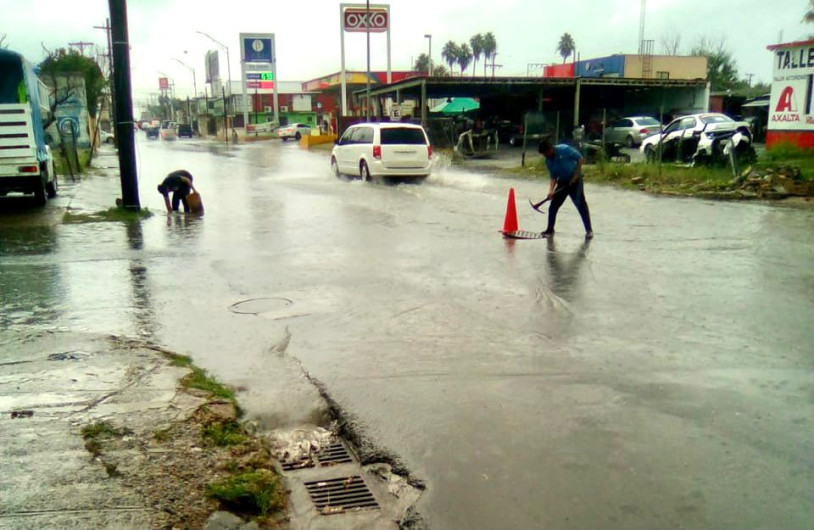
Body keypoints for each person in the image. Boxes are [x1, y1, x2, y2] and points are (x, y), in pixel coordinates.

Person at [537, 138, 593, 239]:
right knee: (553, 206)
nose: (545, 156)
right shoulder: (548, 161)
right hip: (563, 182)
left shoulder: (564, 149)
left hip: (575, 181)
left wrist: (576, 175)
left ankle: (589, 230)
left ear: (550, 149)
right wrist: (550, 191)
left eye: (545, 153)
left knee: (581, 204)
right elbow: (553, 177)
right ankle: (550, 230)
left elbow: (580, 159)